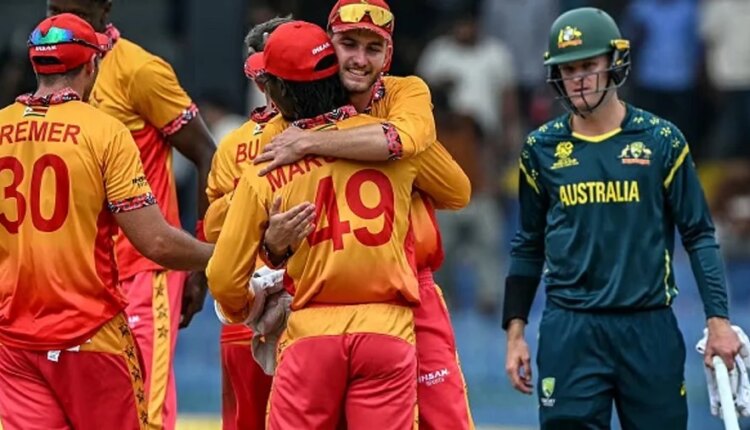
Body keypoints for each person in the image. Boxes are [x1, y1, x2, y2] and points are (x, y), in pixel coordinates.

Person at [207, 20, 469, 430]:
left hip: (310, 324)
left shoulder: (265, 157)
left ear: (275, 89)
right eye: (350, 44)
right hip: (389, 324)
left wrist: (250, 295)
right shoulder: (394, 141)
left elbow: (222, 274)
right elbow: (456, 191)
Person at [502, 7, 742, 429]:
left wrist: (719, 322)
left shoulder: (662, 140)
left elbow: (699, 234)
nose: (579, 79)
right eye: (568, 69)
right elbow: (528, 244)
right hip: (570, 330)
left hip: (647, 327)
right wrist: (515, 333)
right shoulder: (540, 148)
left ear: (615, 63)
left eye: (589, 66)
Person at [0, 14, 213, 430]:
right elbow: (156, 242)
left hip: (15, 341)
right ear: (92, 65)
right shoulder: (106, 131)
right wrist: (223, 254)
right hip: (90, 333)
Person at [203, 16, 301, 430]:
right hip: (251, 307)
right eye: (265, 78)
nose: (271, 88)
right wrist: (257, 197)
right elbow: (212, 227)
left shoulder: (334, 133)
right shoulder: (235, 143)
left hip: (313, 309)